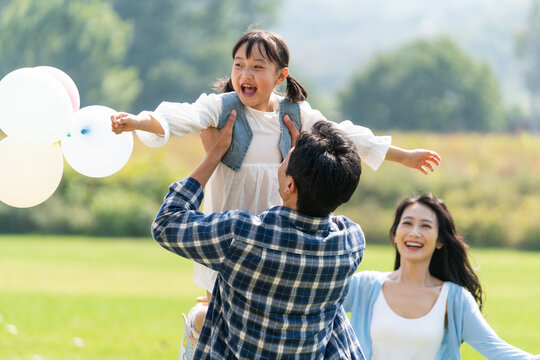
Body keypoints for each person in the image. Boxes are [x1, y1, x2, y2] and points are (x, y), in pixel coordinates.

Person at [111, 29, 440, 358]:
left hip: (281, 235)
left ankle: (200, 328)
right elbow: (181, 116)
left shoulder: (296, 114)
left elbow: (346, 135)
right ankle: (199, 332)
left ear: (281, 76)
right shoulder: (222, 109)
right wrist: (139, 122)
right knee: (218, 310)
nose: (245, 74)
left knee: (233, 313)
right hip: (233, 231)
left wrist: (404, 155)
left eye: (257, 66)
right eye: (238, 65)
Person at [152, 118, 367, 359]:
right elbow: (322, 206)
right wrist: (314, 174)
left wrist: (213, 155)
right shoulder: (351, 242)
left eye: (287, 157)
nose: (283, 158)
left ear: (290, 185)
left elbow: (166, 223)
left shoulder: (243, 236)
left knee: (198, 316)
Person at [343, 193, 539, 360]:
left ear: (440, 241)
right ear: (395, 234)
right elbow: (315, 309)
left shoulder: (455, 299)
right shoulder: (364, 286)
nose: (414, 232)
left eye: (425, 226)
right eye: (407, 223)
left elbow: (497, 351)